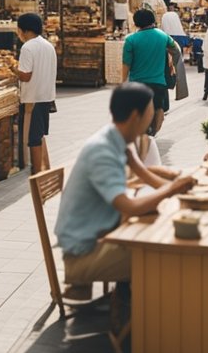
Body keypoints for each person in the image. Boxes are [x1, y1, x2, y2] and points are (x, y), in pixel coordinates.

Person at [56, 83, 194, 301]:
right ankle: (145, 320)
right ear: (134, 116)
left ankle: (129, 307)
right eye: (150, 112)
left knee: (161, 232)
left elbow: (143, 172)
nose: (154, 117)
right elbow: (129, 206)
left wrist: (177, 187)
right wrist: (172, 189)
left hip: (101, 235)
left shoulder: (117, 137)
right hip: (83, 254)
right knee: (170, 253)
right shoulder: (103, 151)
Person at [122, 8, 177, 136]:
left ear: (136, 23)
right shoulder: (163, 36)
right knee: (159, 109)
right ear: (153, 20)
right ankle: (153, 135)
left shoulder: (131, 40)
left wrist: (123, 83)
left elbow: (126, 64)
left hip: (137, 83)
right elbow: (174, 49)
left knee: (137, 110)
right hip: (158, 82)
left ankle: (141, 133)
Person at [16, 12, 57, 173]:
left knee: (33, 138)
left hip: (33, 97)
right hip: (46, 95)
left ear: (24, 30)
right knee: (39, 134)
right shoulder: (48, 45)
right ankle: (43, 167)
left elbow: (26, 76)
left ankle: (36, 171)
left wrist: (14, 69)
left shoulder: (27, 47)